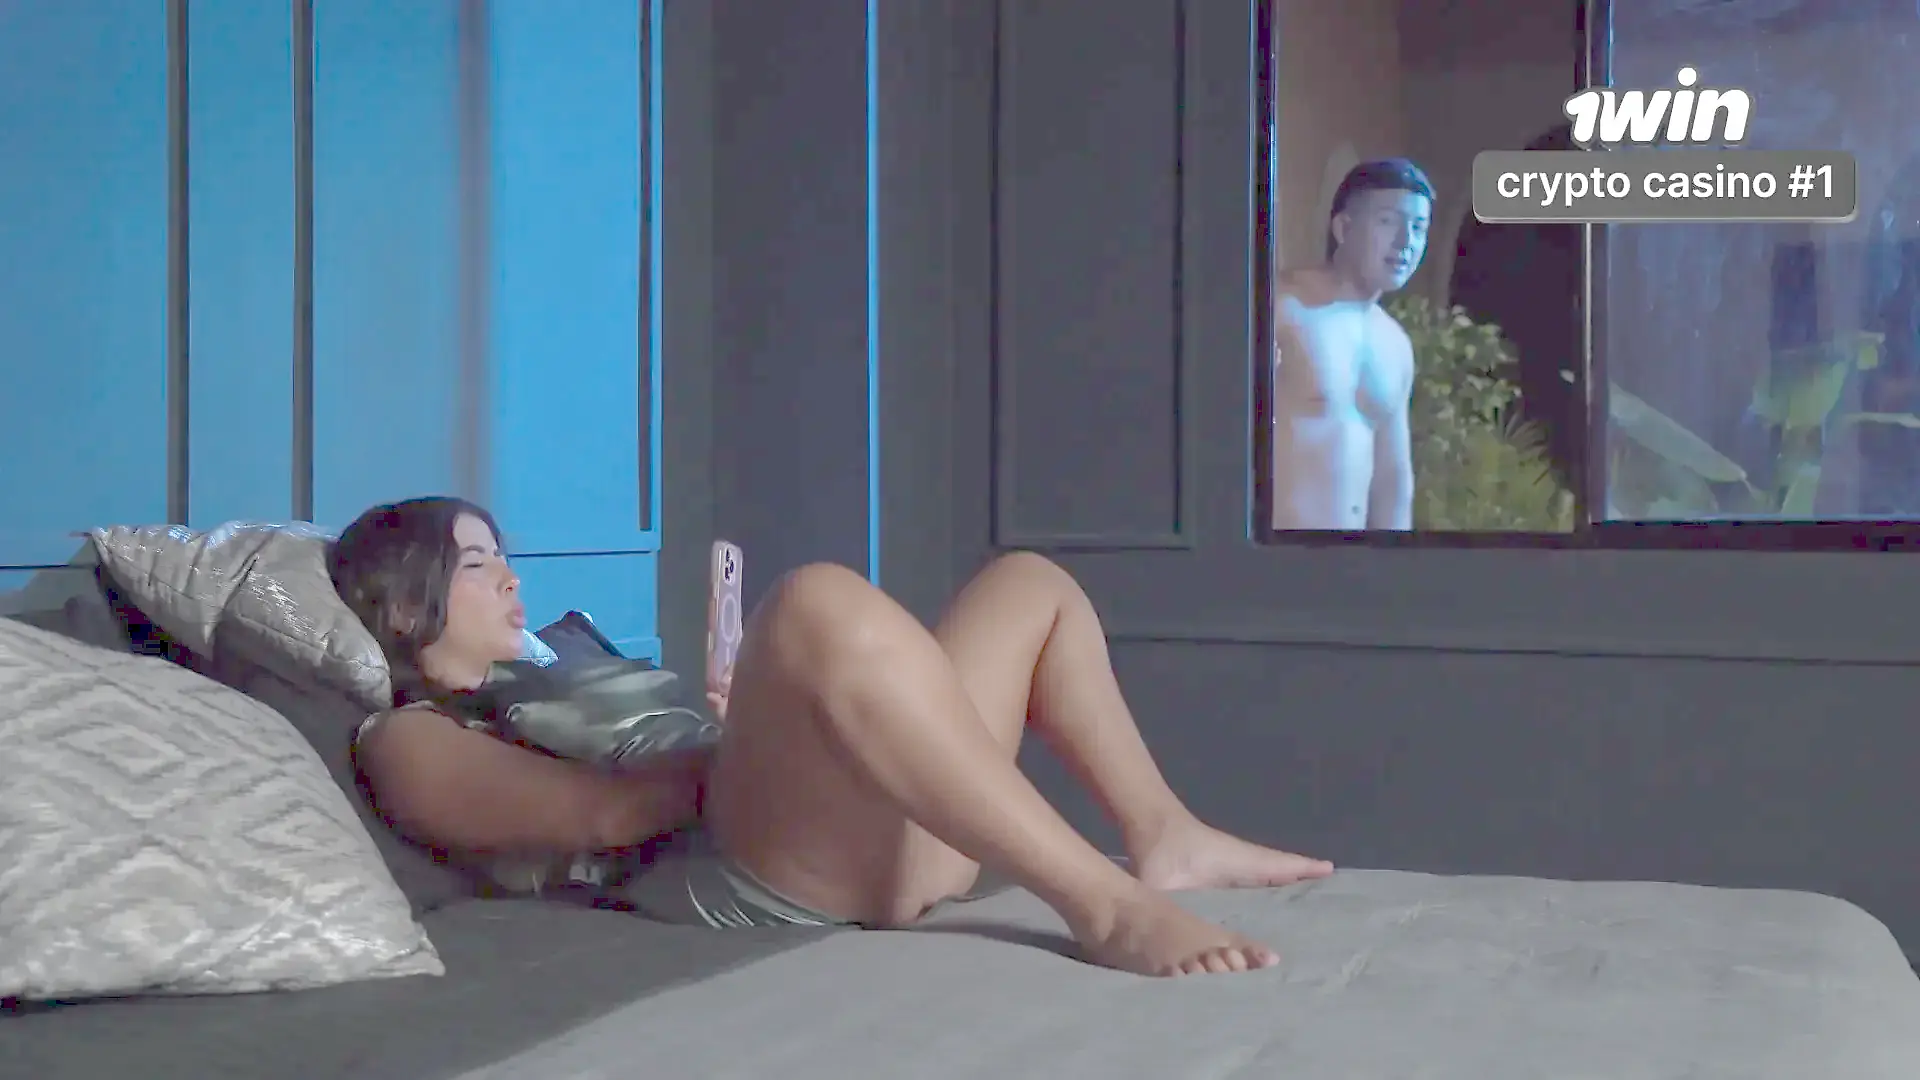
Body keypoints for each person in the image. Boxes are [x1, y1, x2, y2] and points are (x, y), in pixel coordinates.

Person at [330, 497, 1334, 977]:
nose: (510, 576)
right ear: (406, 603)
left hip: (818, 826)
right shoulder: (407, 736)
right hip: (735, 869)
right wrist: (772, 737)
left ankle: (1163, 835)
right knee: (815, 604)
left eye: (502, 555)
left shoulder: (564, 655)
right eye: (475, 564)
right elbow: (610, 813)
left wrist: (766, 733)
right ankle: (1104, 905)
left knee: (1030, 585)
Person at [1269, 158, 1433, 531]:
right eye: (1388, 221)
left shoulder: (1394, 344)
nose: (1405, 242)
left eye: (1419, 227)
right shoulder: (1281, 307)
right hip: (1276, 553)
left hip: (1351, 560)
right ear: (1344, 227)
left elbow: (1392, 484)